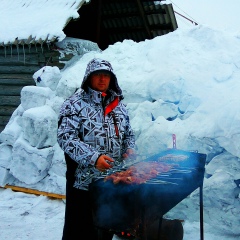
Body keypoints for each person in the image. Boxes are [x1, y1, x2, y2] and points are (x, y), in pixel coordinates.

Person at [57, 58, 135, 240]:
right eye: (97, 74)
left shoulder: (119, 106)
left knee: (105, 227)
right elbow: (65, 137)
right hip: (83, 183)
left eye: (106, 75)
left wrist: (129, 148)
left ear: (112, 79)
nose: (102, 79)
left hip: (111, 180)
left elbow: (128, 134)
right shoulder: (74, 104)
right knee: (80, 229)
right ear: (88, 77)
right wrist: (93, 158)